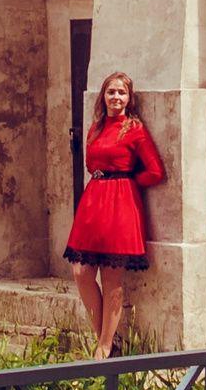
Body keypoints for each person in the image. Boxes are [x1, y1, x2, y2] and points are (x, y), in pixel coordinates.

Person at [62, 71, 164, 359]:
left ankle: (105, 348)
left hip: (120, 203)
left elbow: (155, 171)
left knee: (111, 278)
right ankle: (105, 339)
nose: (116, 97)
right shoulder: (95, 127)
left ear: (129, 99)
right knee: (81, 272)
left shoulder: (134, 129)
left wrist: (127, 181)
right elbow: (90, 163)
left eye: (122, 92)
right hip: (93, 202)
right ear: (103, 96)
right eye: (111, 92)